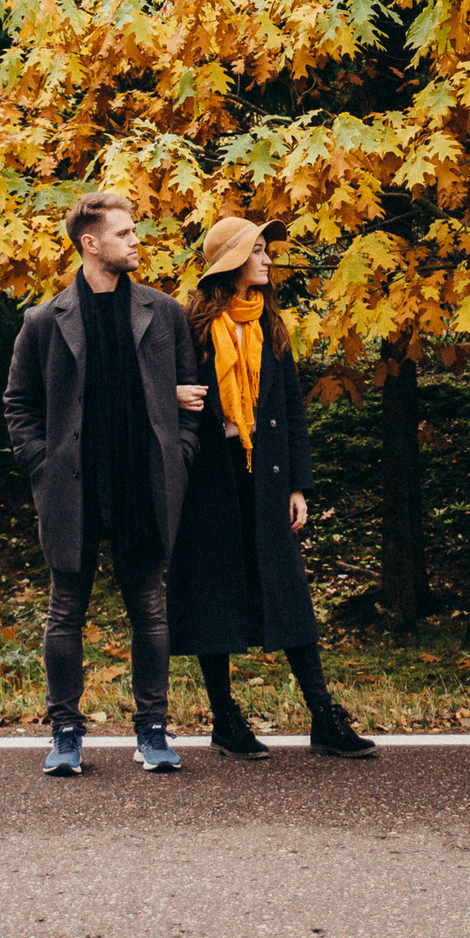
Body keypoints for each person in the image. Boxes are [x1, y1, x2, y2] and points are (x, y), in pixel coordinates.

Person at [4, 190, 208, 777]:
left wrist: (179, 455)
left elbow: (192, 398)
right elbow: (19, 405)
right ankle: (65, 733)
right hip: (74, 486)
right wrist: (42, 466)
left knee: (150, 609)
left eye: (134, 231)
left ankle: (152, 730)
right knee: (65, 611)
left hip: (144, 482)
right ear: (90, 244)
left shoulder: (162, 312)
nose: (136, 241)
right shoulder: (44, 321)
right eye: (124, 233)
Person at [169, 215, 377, 760]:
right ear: (232, 263)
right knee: (214, 594)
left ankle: (323, 716)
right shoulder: (190, 328)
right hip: (209, 480)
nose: (267, 260)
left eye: (266, 250)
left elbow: (291, 412)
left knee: (288, 592)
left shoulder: (272, 326)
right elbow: (162, 393)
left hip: (266, 476)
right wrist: (173, 398)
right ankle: (225, 720)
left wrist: (298, 487)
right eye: (257, 251)